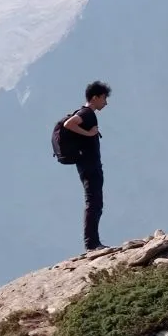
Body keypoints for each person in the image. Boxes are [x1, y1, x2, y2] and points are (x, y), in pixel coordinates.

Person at [54, 81, 110, 251]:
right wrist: (89, 133)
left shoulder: (86, 113)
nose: (105, 103)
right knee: (94, 203)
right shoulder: (87, 113)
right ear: (95, 97)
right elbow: (69, 124)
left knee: (94, 202)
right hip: (89, 166)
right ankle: (92, 244)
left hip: (86, 165)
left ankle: (92, 242)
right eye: (104, 98)